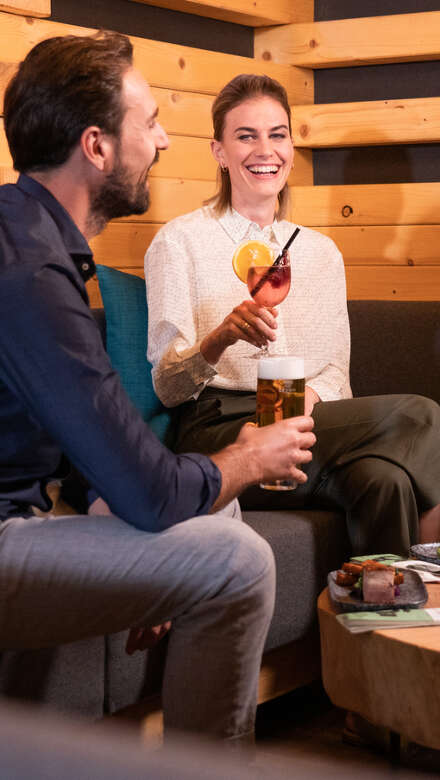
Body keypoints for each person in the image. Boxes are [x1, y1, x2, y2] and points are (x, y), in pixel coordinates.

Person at [0, 32, 315, 744]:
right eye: (149, 123)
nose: (165, 141)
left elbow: (84, 430)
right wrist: (249, 458)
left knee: (211, 523)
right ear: (98, 146)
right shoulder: (28, 274)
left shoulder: (26, 241)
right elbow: (150, 490)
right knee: (236, 560)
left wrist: (146, 538)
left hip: (21, 519)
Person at [144, 74, 440, 556]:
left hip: (307, 416)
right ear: (219, 152)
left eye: (277, 135)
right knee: (418, 415)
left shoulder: (321, 252)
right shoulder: (179, 242)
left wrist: (306, 402)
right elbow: (167, 386)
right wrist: (220, 338)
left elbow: (335, 369)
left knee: (386, 480)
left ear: (292, 147)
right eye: (246, 136)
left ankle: (387, 623)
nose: (266, 150)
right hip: (222, 428)